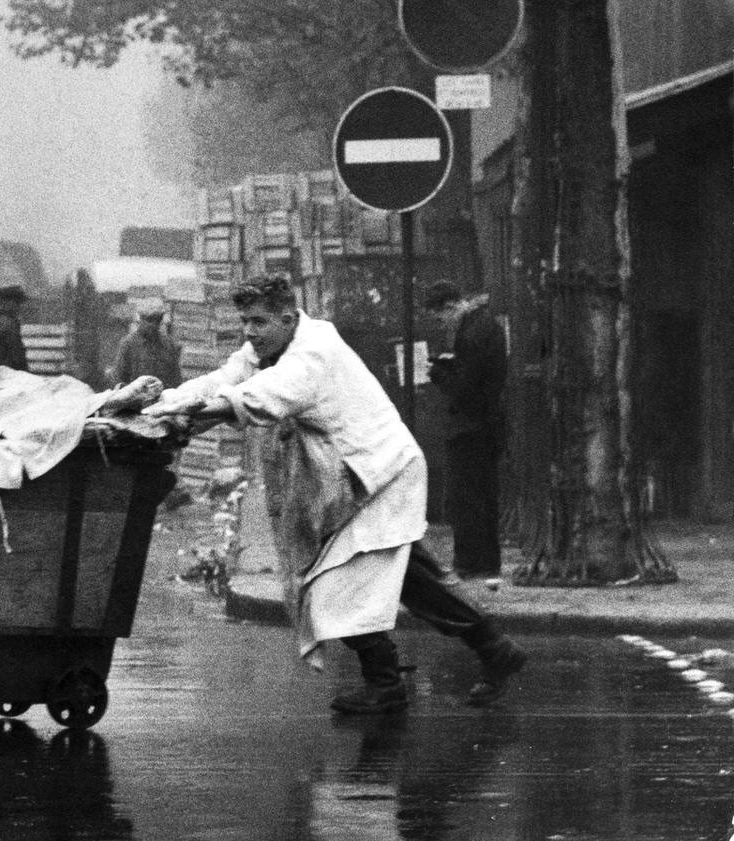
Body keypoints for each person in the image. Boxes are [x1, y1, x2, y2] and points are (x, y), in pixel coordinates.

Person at [144, 275, 526, 713]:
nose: (249, 332)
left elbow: (258, 398)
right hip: (350, 479)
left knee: (339, 579)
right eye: (245, 321)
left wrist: (179, 418)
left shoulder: (313, 353)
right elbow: (223, 381)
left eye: (259, 322)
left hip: (380, 475)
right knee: (408, 579)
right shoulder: (270, 348)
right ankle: (486, 652)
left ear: (288, 318)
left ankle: (390, 680)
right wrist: (163, 404)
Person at [423, 281, 508, 579]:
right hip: (487, 424)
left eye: (439, 317)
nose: (441, 324)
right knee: (483, 497)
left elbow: (464, 389)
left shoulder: (470, 333)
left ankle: (470, 564)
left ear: (450, 306)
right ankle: (486, 564)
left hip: (470, 427)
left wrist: (439, 373)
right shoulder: (486, 325)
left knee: (465, 498)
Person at [110, 300, 182, 388]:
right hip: (135, 399)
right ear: (141, 320)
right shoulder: (128, 344)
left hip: (163, 398)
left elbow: (176, 380)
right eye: (149, 320)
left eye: (157, 320)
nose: (153, 325)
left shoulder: (169, 345)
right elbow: (118, 380)